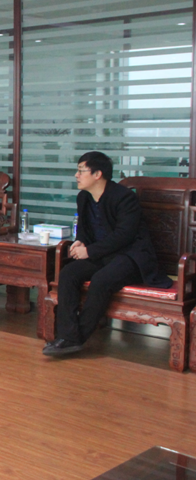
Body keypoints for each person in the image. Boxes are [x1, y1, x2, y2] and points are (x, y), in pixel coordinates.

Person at [43, 151, 172, 357]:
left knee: (101, 280)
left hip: (130, 257)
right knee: (68, 273)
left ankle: (74, 339)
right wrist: (80, 241)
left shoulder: (124, 197)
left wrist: (89, 251)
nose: (76, 175)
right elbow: (84, 228)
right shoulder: (84, 197)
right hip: (102, 255)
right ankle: (68, 336)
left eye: (81, 171)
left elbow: (124, 235)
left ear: (97, 174)